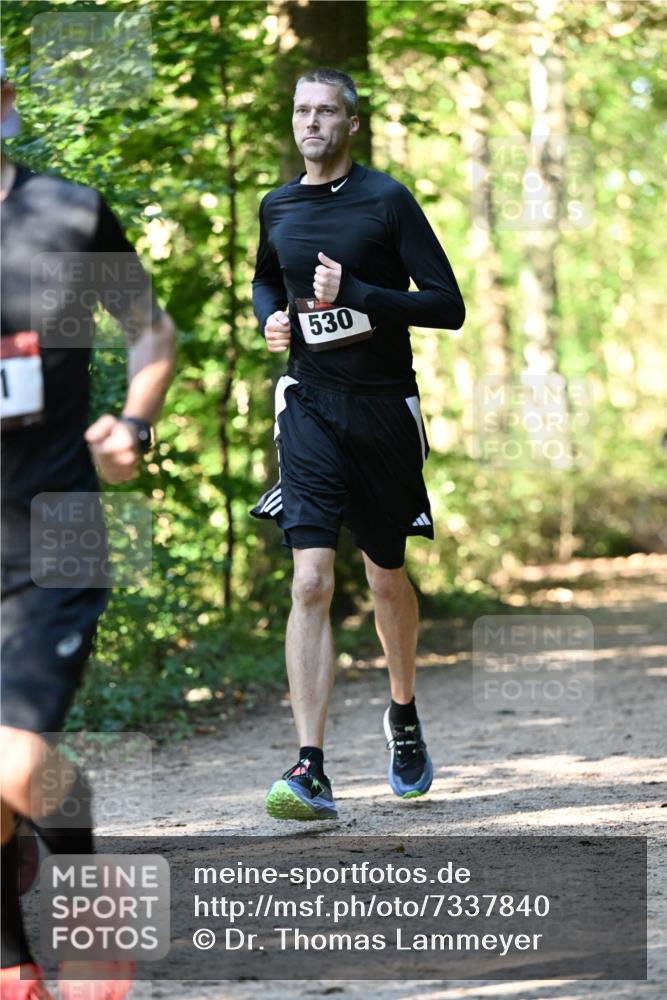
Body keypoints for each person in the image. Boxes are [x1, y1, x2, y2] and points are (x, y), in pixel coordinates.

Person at [0, 53, 175, 999]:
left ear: (4, 101)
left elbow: (151, 330)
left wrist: (133, 423)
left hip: (53, 530)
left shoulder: (67, 212)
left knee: (13, 756)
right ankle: (13, 966)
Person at [251, 67, 465, 821]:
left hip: (381, 409)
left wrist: (361, 295)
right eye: (301, 110)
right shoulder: (276, 205)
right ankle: (309, 768)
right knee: (310, 581)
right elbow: (266, 281)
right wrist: (270, 318)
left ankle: (402, 713)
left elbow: (447, 306)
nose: (311, 122)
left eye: (325, 111)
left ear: (351, 123)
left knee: (384, 577)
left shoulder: (386, 200)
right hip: (307, 402)